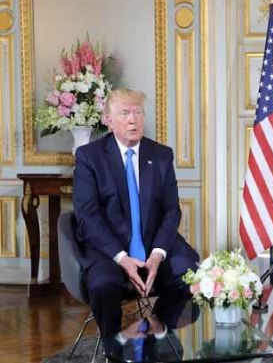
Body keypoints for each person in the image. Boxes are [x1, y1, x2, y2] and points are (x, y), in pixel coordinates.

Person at [73, 88, 199, 338]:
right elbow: (88, 216)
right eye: (125, 113)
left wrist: (158, 253)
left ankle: (157, 332)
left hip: (154, 244)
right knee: (104, 285)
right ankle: (114, 344)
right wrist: (122, 258)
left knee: (191, 274)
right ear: (108, 120)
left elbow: (171, 210)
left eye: (138, 112)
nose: (133, 119)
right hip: (109, 249)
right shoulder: (90, 157)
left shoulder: (161, 155)